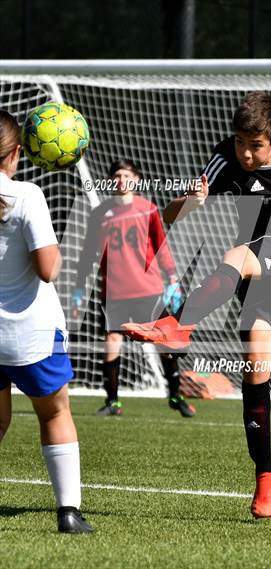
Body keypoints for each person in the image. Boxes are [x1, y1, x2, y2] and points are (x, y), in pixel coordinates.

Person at [121, 92, 271, 519]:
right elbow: (170, 216)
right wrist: (189, 202)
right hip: (261, 262)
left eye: (255, 145)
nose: (245, 153)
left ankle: (179, 324)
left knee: (237, 255)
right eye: (240, 143)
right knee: (256, 368)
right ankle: (266, 478)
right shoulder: (225, 159)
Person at [0, 110, 93, 533]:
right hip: (31, 335)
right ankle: (68, 513)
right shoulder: (28, 195)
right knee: (54, 414)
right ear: (17, 152)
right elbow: (47, 269)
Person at [72, 159, 195, 417]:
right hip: (114, 292)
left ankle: (176, 395)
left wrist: (173, 280)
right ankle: (112, 402)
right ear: (111, 180)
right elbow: (88, 254)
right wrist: (79, 288)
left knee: (164, 343)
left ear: (136, 179)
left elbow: (161, 246)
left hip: (148, 290)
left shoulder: (147, 209)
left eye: (127, 175)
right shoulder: (100, 214)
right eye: (117, 175)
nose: (121, 180)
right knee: (112, 341)